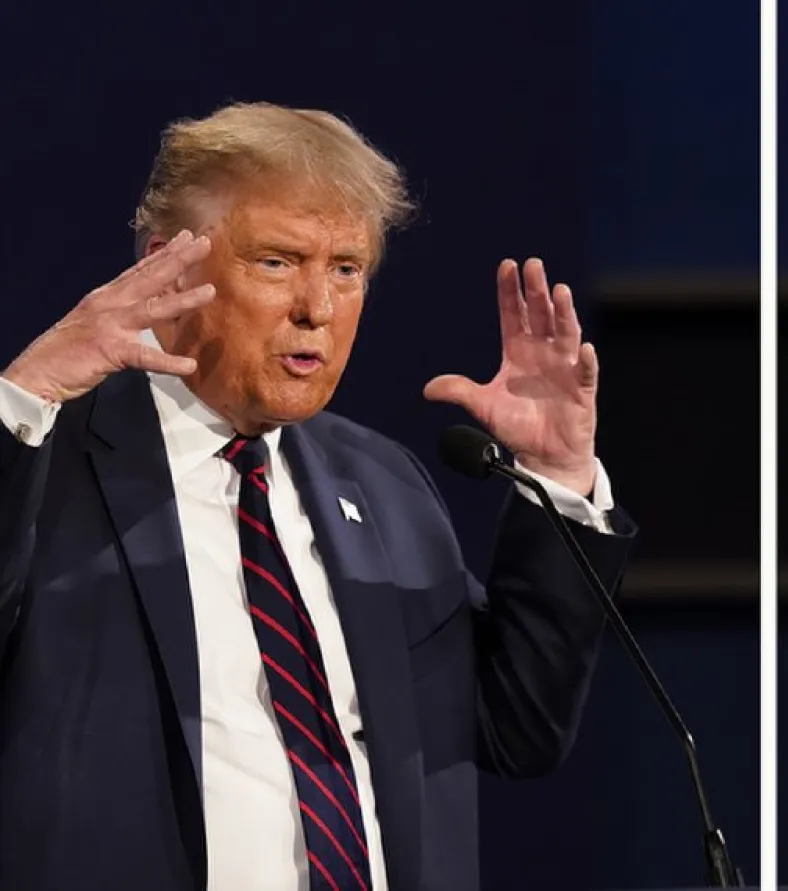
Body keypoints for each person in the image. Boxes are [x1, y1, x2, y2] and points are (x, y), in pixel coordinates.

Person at [0, 102, 634, 890]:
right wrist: (25, 392)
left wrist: (558, 476)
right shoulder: (44, 458)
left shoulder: (383, 484)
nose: (318, 309)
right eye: (277, 261)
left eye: (346, 269)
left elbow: (520, 728)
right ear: (166, 269)